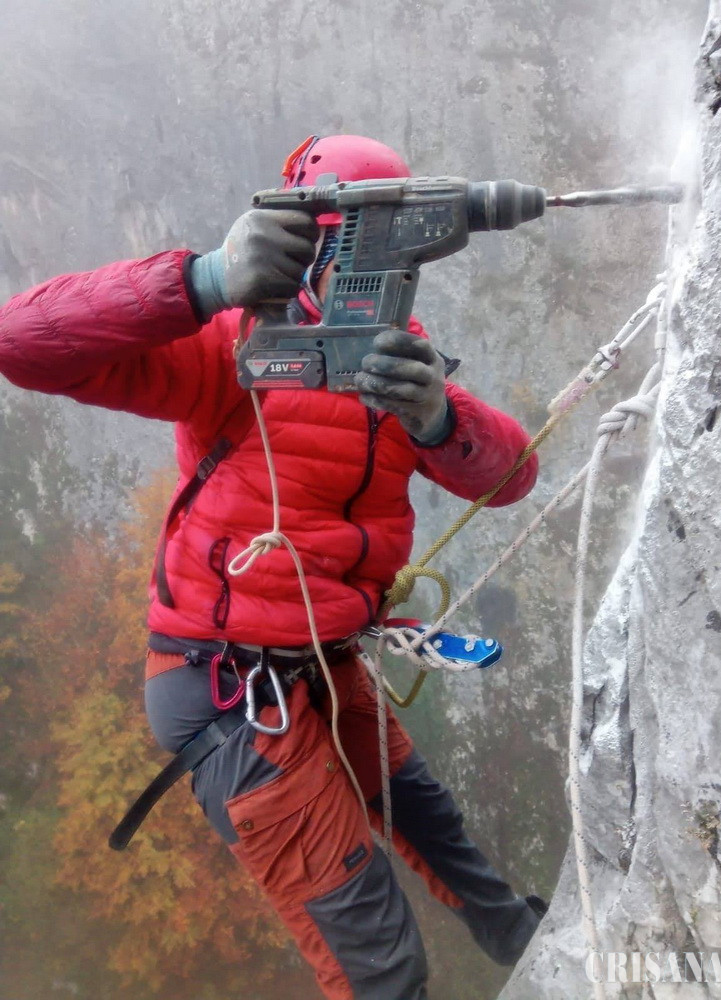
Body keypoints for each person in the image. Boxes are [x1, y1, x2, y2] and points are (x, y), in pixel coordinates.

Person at [0, 133, 545, 999]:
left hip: (324, 664)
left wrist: (441, 421)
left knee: (431, 821)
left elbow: (511, 477)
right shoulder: (233, 346)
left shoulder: (398, 361)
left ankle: (526, 939)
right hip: (227, 686)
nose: (365, 271)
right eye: (350, 248)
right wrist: (203, 281)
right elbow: (21, 342)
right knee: (380, 959)